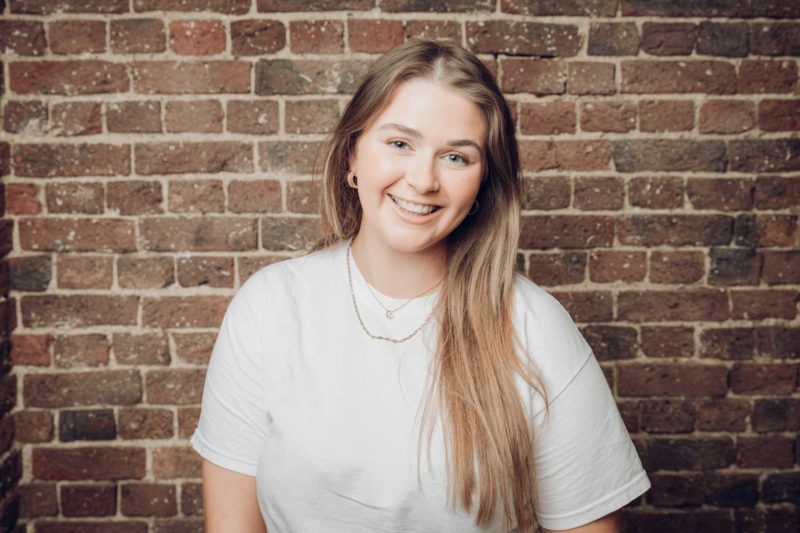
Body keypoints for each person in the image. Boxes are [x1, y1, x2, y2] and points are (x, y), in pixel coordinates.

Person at [190, 38, 651, 533]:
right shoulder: (269, 307)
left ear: (482, 188)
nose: (423, 179)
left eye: (456, 158)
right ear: (353, 156)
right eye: (400, 144)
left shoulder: (535, 327)